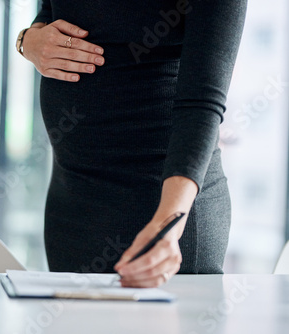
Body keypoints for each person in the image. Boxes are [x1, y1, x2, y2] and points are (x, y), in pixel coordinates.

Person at [15, 0, 247, 287]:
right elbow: (54, 9)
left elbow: (201, 104)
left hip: (164, 205)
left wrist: (168, 224)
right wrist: (29, 38)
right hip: (73, 199)